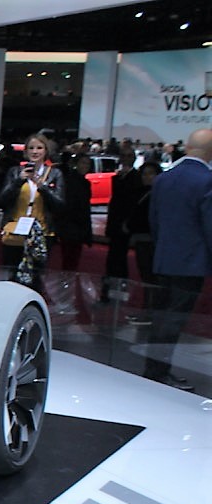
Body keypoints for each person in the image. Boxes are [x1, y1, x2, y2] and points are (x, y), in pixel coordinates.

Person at [144, 128, 212, 391]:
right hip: (191, 262)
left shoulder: (164, 178)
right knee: (174, 320)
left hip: (163, 258)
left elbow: (155, 221)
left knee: (160, 317)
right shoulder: (206, 180)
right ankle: (160, 372)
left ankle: (154, 368)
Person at [0, 133, 65, 291]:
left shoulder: (55, 174)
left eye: (39, 148)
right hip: (16, 231)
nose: (35, 151)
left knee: (35, 278)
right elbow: (2, 200)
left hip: (41, 233)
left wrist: (43, 187)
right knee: (13, 275)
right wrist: (19, 181)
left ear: (45, 151)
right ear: (25, 151)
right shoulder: (15, 172)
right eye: (31, 148)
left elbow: (60, 205)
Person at [104, 140, 143, 283]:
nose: (125, 159)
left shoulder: (137, 178)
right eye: (123, 156)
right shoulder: (117, 178)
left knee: (120, 259)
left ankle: (120, 287)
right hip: (115, 224)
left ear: (133, 158)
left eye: (128, 156)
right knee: (112, 258)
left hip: (126, 225)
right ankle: (109, 289)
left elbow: (132, 202)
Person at [57, 154, 93, 272]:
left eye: (87, 163)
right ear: (76, 164)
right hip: (70, 225)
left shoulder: (85, 183)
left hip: (78, 226)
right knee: (69, 260)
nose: (85, 166)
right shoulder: (69, 180)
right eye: (83, 163)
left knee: (73, 260)